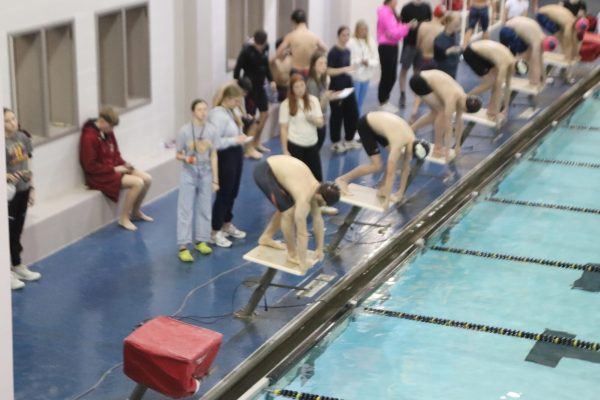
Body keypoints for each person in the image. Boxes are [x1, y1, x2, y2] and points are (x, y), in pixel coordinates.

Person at [254, 155, 340, 272]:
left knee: (285, 206)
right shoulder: (304, 199)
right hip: (265, 171)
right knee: (288, 212)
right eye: (323, 203)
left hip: (280, 168)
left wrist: (319, 249)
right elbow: (301, 234)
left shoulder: (316, 189)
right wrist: (302, 261)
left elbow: (318, 219)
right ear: (320, 196)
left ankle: (266, 237)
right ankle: (292, 254)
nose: (322, 206)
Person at [335, 111, 430, 207]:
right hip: (366, 124)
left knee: (401, 158)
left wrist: (400, 192)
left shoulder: (412, 139)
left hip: (380, 126)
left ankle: (383, 187)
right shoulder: (399, 142)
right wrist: (387, 197)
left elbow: (406, 168)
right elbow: (390, 172)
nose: (409, 155)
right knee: (376, 165)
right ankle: (342, 180)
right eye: (411, 154)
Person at [79, 107, 153, 231]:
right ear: (102, 121)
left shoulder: (107, 132)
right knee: (138, 183)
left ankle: (135, 210)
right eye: (111, 127)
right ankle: (124, 218)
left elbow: (115, 154)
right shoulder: (89, 137)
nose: (112, 130)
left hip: (113, 169)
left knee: (147, 178)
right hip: (98, 176)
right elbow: (90, 166)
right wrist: (114, 169)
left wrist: (124, 164)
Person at [175, 99, 219, 262]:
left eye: (205, 109)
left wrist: (216, 179)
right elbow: (177, 153)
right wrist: (186, 158)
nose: (203, 113)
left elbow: (214, 155)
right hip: (189, 172)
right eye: (200, 110)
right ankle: (183, 246)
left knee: (205, 207)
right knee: (185, 208)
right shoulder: (184, 131)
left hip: (206, 172)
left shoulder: (212, 131)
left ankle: (202, 240)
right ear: (193, 112)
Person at [208, 84, 249, 248]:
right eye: (236, 101)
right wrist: (234, 140)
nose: (238, 104)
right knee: (224, 193)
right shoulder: (218, 115)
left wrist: (241, 138)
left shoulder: (232, 111)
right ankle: (215, 230)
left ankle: (226, 223)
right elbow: (215, 142)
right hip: (225, 156)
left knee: (233, 191)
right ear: (227, 99)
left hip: (236, 153)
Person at [5, 108, 42, 290]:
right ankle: (6, 272)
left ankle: (17, 264)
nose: (12, 123)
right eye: (7, 121)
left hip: (23, 190)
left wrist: (32, 188)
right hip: (8, 196)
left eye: (13, 118)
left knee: (17, 230)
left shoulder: (23, 138)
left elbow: (29, 163)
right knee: (7, 233)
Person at [410, 70, 483, 161]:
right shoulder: (452, 99)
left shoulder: (463, 98)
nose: (462, 111)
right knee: (441, 112)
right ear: (466, 108)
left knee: (435, 113)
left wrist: (457, 146)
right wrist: (448, 151)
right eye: (464, 111)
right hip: (419, 81)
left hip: (427, 79)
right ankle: (437, 147)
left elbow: (459, 124)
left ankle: (411, 129)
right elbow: (448, 129)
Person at [233, 29, 278, 159]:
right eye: (258, 45)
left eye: (261, 45)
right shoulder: (246, 51)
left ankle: (256, 142)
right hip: (250, 89)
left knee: (265, 113)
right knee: (251, 119)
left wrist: (272, 80)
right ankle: (248, 148)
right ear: (255, 42)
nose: (260, 47)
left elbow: (266, 66)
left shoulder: (266, 48)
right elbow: (237, 70)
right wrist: (240, 87)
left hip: (260, 86)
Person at [280, 74, 324, 183]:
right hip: (295, 144)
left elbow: (321, 123)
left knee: (316, 177)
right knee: (296, 178)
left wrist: (313, 119)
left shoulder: (313, 100)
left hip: (312, 144)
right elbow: (283, 129)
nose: (300, 89)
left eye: (302, 85)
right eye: (296, 87)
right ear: (291, 89)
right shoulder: (285, 105)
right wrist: (285, 150)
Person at [463, 40, 516, 122]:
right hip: (472, 52)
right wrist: (498, 115)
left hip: (483, 52)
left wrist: (505, 109)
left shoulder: (511, 61)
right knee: (490, 82)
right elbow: (499, 87)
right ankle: (463, 100)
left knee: (495, 80)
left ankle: (491, 110)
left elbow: (508, 86)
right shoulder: (504, 65)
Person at [377, 0, 415, 112]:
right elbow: (394, 32)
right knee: (387, 75)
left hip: (393, 45)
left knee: (392, 76)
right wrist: (407, 27)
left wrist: (401, 29)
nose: (397, 2)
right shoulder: (385, 12)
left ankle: (385, 99)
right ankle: (382, 100)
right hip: (386, 47)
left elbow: (396, 31)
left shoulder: (392, 12)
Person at [327, 26, 361, 154]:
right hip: (337, 87)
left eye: (348, 35)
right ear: (338, 36)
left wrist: (351, 69)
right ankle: (335, 142)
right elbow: (329, 70)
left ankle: (349, 139)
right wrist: (345, 69)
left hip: (348, 85)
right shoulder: (333, 52)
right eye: (343, 35)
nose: (346, 37)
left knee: (352, 113)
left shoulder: (347, 51)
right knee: (337, 115)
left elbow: (347, 68)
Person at [500, 16, 558, 87]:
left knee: (526, 54)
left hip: (510, 27)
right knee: (523, 55)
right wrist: (536, 82)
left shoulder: (541, 36)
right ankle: (505, 78)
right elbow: (535, 62)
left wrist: (544, 78)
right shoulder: (536, 43)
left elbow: (540, 59)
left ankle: (508, 74)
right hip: (507, 31)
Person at [408, 11, 444, 122]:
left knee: (420, 85)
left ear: (433, 15)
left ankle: (414, 111)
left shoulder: (423, 25)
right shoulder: (442, 29)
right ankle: (437, 111)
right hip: (434, 60)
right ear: (442, 17)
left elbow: (418, 44)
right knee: (434, 86)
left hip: (423, 59)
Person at [398, 0, 432, 108]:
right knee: (404, 69)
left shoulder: (426, 7)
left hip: (421, 45)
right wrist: (409, 26)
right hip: (409, 44)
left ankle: (417, 96)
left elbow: (430, 23)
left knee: (418, 71)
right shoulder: (406, 8)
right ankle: (402, 94)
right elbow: (400, 24)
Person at [276, 9, 328, 77]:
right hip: (309, 71)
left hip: (296, 72)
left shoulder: (291, 36)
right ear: (305, 21)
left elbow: (278, 52)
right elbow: (325, 49)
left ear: (294, 22)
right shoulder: (314, 36)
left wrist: (287, 53)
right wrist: (314, 51)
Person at [347, 20, 380, 116]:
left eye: (366, 30)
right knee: (354, 102)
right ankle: (352, 122)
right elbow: (349, 61)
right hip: (355, 77)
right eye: (362, 30)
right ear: (357, 30)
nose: (364, 32)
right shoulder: (351, 42)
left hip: (366, 77)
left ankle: (357, 122)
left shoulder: (371, 42)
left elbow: (376, 60)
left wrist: (368, 62)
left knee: (360, 102)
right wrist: (359, 61)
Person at [306, 52, 337, 150]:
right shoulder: (312, 84)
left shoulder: (323, 79)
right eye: (320, 63)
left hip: (322, 118)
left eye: (325, 63)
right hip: (316, 121)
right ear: (313, 65)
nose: (324, 66)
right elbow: (316, 108)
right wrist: (325, 98)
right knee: (315, 148)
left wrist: (332, 96)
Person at [434, 13, 463, 79]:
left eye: (459, 24)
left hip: (454, 69)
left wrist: (460, 49)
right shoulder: (439, 38)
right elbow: (437, 57)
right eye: (456, 24)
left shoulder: (457, 35)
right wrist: (449, 51)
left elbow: (459, 49)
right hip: (443, 70)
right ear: (448, 23)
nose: (458, 27)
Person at [270, 37, 293, 102]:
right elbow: (268, 62)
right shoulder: (274, 60)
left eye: (287, 48)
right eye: (284, 48)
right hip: (276, 88)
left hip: (287, 87)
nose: (286, 50)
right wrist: (279, 52)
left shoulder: (290, 58)